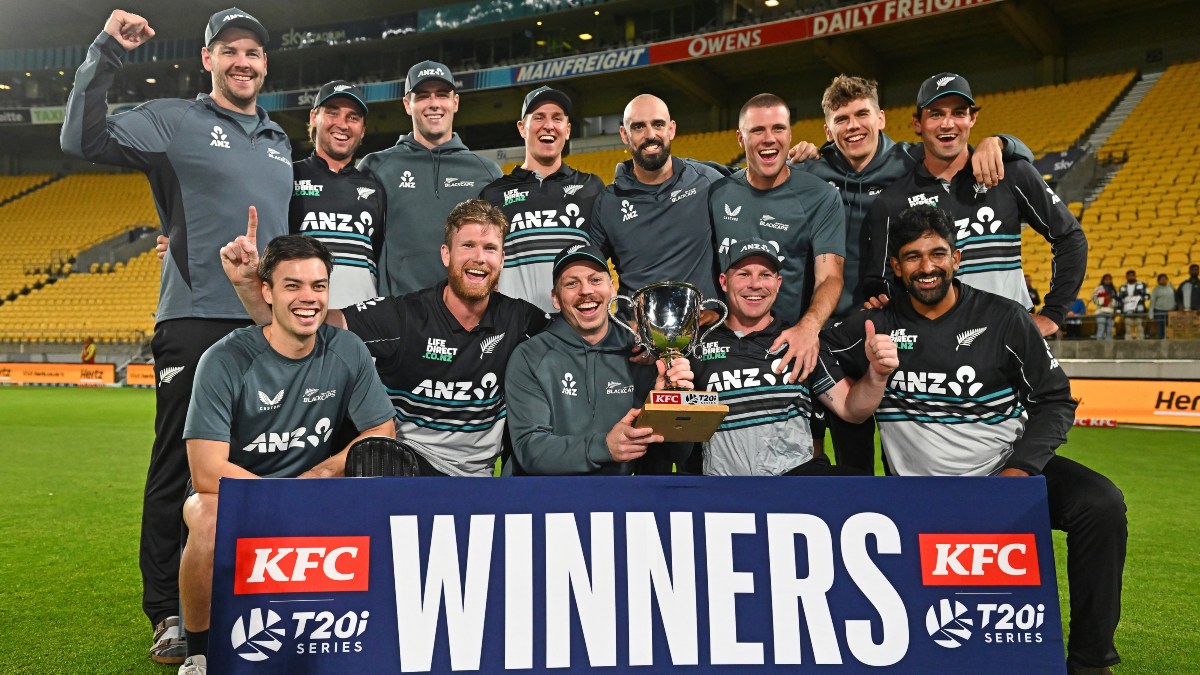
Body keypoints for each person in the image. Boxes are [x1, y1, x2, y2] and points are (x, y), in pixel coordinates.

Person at [60, 8, 292, 662]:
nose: (243, 61)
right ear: (209, 60)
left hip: (265, 323)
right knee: (179, 468)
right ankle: (166, 609)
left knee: (263, 463)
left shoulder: (278, 139)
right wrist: (106, 51)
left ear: (265, 64)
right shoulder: (175, 119)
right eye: (230, 50)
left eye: (253, 51)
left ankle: (239, 588)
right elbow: (83, 138)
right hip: (194, 321)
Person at [820, 205, 1126, 674]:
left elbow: (1055, 400)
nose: (927, 267)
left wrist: (1016, 474)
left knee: (1101, 505)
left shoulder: (1004, 318)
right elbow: (817, 353)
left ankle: (1089, 662)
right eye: (913, 257)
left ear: (956, 258)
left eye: (938, 253)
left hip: (1000, 473)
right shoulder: (874, 325)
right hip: (918, 493)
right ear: (897, 268)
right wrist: (852, 394)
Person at [788, 74, 1034, 474]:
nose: (854, 126)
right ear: (827, 129)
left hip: (894, 329)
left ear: (881, 118)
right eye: (842, 119)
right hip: (836, 337)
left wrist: (1000, 142)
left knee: (902, 453)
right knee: (848, 461)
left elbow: (988, 151)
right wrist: (793, 153)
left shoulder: (911, 162)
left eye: (862, 114)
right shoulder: (813, 171)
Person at [177, 235, 395, 675]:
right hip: (234, 491)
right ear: (267, 292)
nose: (308, 298)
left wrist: (321, 473)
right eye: (292, 285)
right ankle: (198, 651)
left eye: (318, 285)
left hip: (311, 488)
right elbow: (206, 471)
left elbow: (382, 430)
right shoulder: (224, 359)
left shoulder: (347, 350)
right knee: (206, 518)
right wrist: (278, 499)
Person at [222, 199, 549, 477]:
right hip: (408, 471)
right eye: (468, 246)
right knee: (372, 451)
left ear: (502, 260)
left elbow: (582, 336)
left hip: (479, 484)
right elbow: (299, 325)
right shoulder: (402, 317)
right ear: (446, 255)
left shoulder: (522, 320)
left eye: (490, 248)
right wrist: (248, 286)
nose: (479, 257)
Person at [862, 73, 1088, 338]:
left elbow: (1070, 237)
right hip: (934, 342)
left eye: (958, 113)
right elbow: (880, 281)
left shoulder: (1011, 173)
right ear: (917, 123)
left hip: (1010, 337)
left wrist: (1053, 313)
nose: (948, 124)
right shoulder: (893, 200)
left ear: (972, 118)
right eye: (935, 114)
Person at [692, 239, 894, 476]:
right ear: (724, 283)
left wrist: (877, 375)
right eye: (744, 274)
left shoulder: (801, 341)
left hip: (793, 493)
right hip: (723, 495)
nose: (755, 284)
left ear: (778, 283)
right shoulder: (697, 344)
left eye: (765, 275)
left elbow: (851, 409)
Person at [504, 243, 695, 475]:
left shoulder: (642, 354)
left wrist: (671, 401)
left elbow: (676, 454)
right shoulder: (530, 356)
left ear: (612, 288)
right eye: (571, 283)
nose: (586, 291)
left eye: (595, 280)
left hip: (617, 503)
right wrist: (604, 447)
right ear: (555, 298)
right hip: (548, 502)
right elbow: (529, 451)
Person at [709, 93, 847, 386]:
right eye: (757, 130)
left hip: (790, 344)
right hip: (726, 352)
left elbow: (830, 277)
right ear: (740, 138)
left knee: (806, 432)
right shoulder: (717, 193)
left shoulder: (820, 196)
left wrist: (808, 328)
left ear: (790, 134)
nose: (769, 138)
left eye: (778, 129)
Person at [359, 61, 503, 296]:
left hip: (465, 314)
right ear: (407, 104)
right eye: (423, 96)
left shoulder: (486, 172)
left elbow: (495, 251)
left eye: (442, 95)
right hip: (398, 313)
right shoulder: (377, 167)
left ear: (455, 102)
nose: (434, 104)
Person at [479, 87, 605, 312]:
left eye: (557, 118)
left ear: (567, 130)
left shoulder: (591, 187)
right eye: (538, 117)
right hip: (515, 329)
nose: (549, 125)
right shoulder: (493, 194)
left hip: (577, 330)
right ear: (522, 128)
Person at [588, 94, 726, 301]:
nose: (650, 134)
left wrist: (793, 158)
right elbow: (589, 270)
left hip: (703, 327)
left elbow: (758, 178)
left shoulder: (707, 181)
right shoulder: (608, 202)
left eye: (658, 124)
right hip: (635, 329)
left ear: (671, 129)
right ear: (624, 135)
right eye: (638, 127)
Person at [290, 80, 387, 307]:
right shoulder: (289, 176)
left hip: (362, 324)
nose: (342, 125)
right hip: (303, 318)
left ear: (362, 130)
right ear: (314, 117)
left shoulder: (374, 187)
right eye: (333, 113)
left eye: (353, 118)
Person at [1117, 269, 1148, 339]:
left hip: (1139, 311)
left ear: (1135, 276)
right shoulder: (1122, 287)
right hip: (1127, 311)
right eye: (1129, 275)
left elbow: (1148, 296)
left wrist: (1138, 299)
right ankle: (1128, 343)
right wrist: (1118, 310)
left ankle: (1141, 343)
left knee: (1140, 328)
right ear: (1126, 277)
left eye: (1132, 275)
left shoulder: (1142, 285)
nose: (1131, 277)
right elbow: (1119, 299)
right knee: (1128, 329)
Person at [1149, 273, 1177, 338]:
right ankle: (1160, 340)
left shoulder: (1171, 288)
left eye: (1165, 279)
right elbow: (1152, 301)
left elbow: (1177, 297)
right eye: (1161, 279)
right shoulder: (1156, 290)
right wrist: (1151, 313)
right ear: (1158, 281)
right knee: (1160, 327)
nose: (1163, 280)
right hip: (1159, 311)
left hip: (1171, 310)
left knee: (1170, 327)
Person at [1092, 274, 1117, 340]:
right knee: (1101, 329)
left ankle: (1109, 348)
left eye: (1109, 279)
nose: (1108, 281)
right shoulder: (1098, 288)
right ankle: (1099, 346)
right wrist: (1104, 299)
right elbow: (1094, 299)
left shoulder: (1113, 290)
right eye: (1106, 279)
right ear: (1103, 280)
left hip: (1110, 311)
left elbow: (1116, 301)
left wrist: (1112, 304)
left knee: (1109, 330)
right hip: (1101, 311)